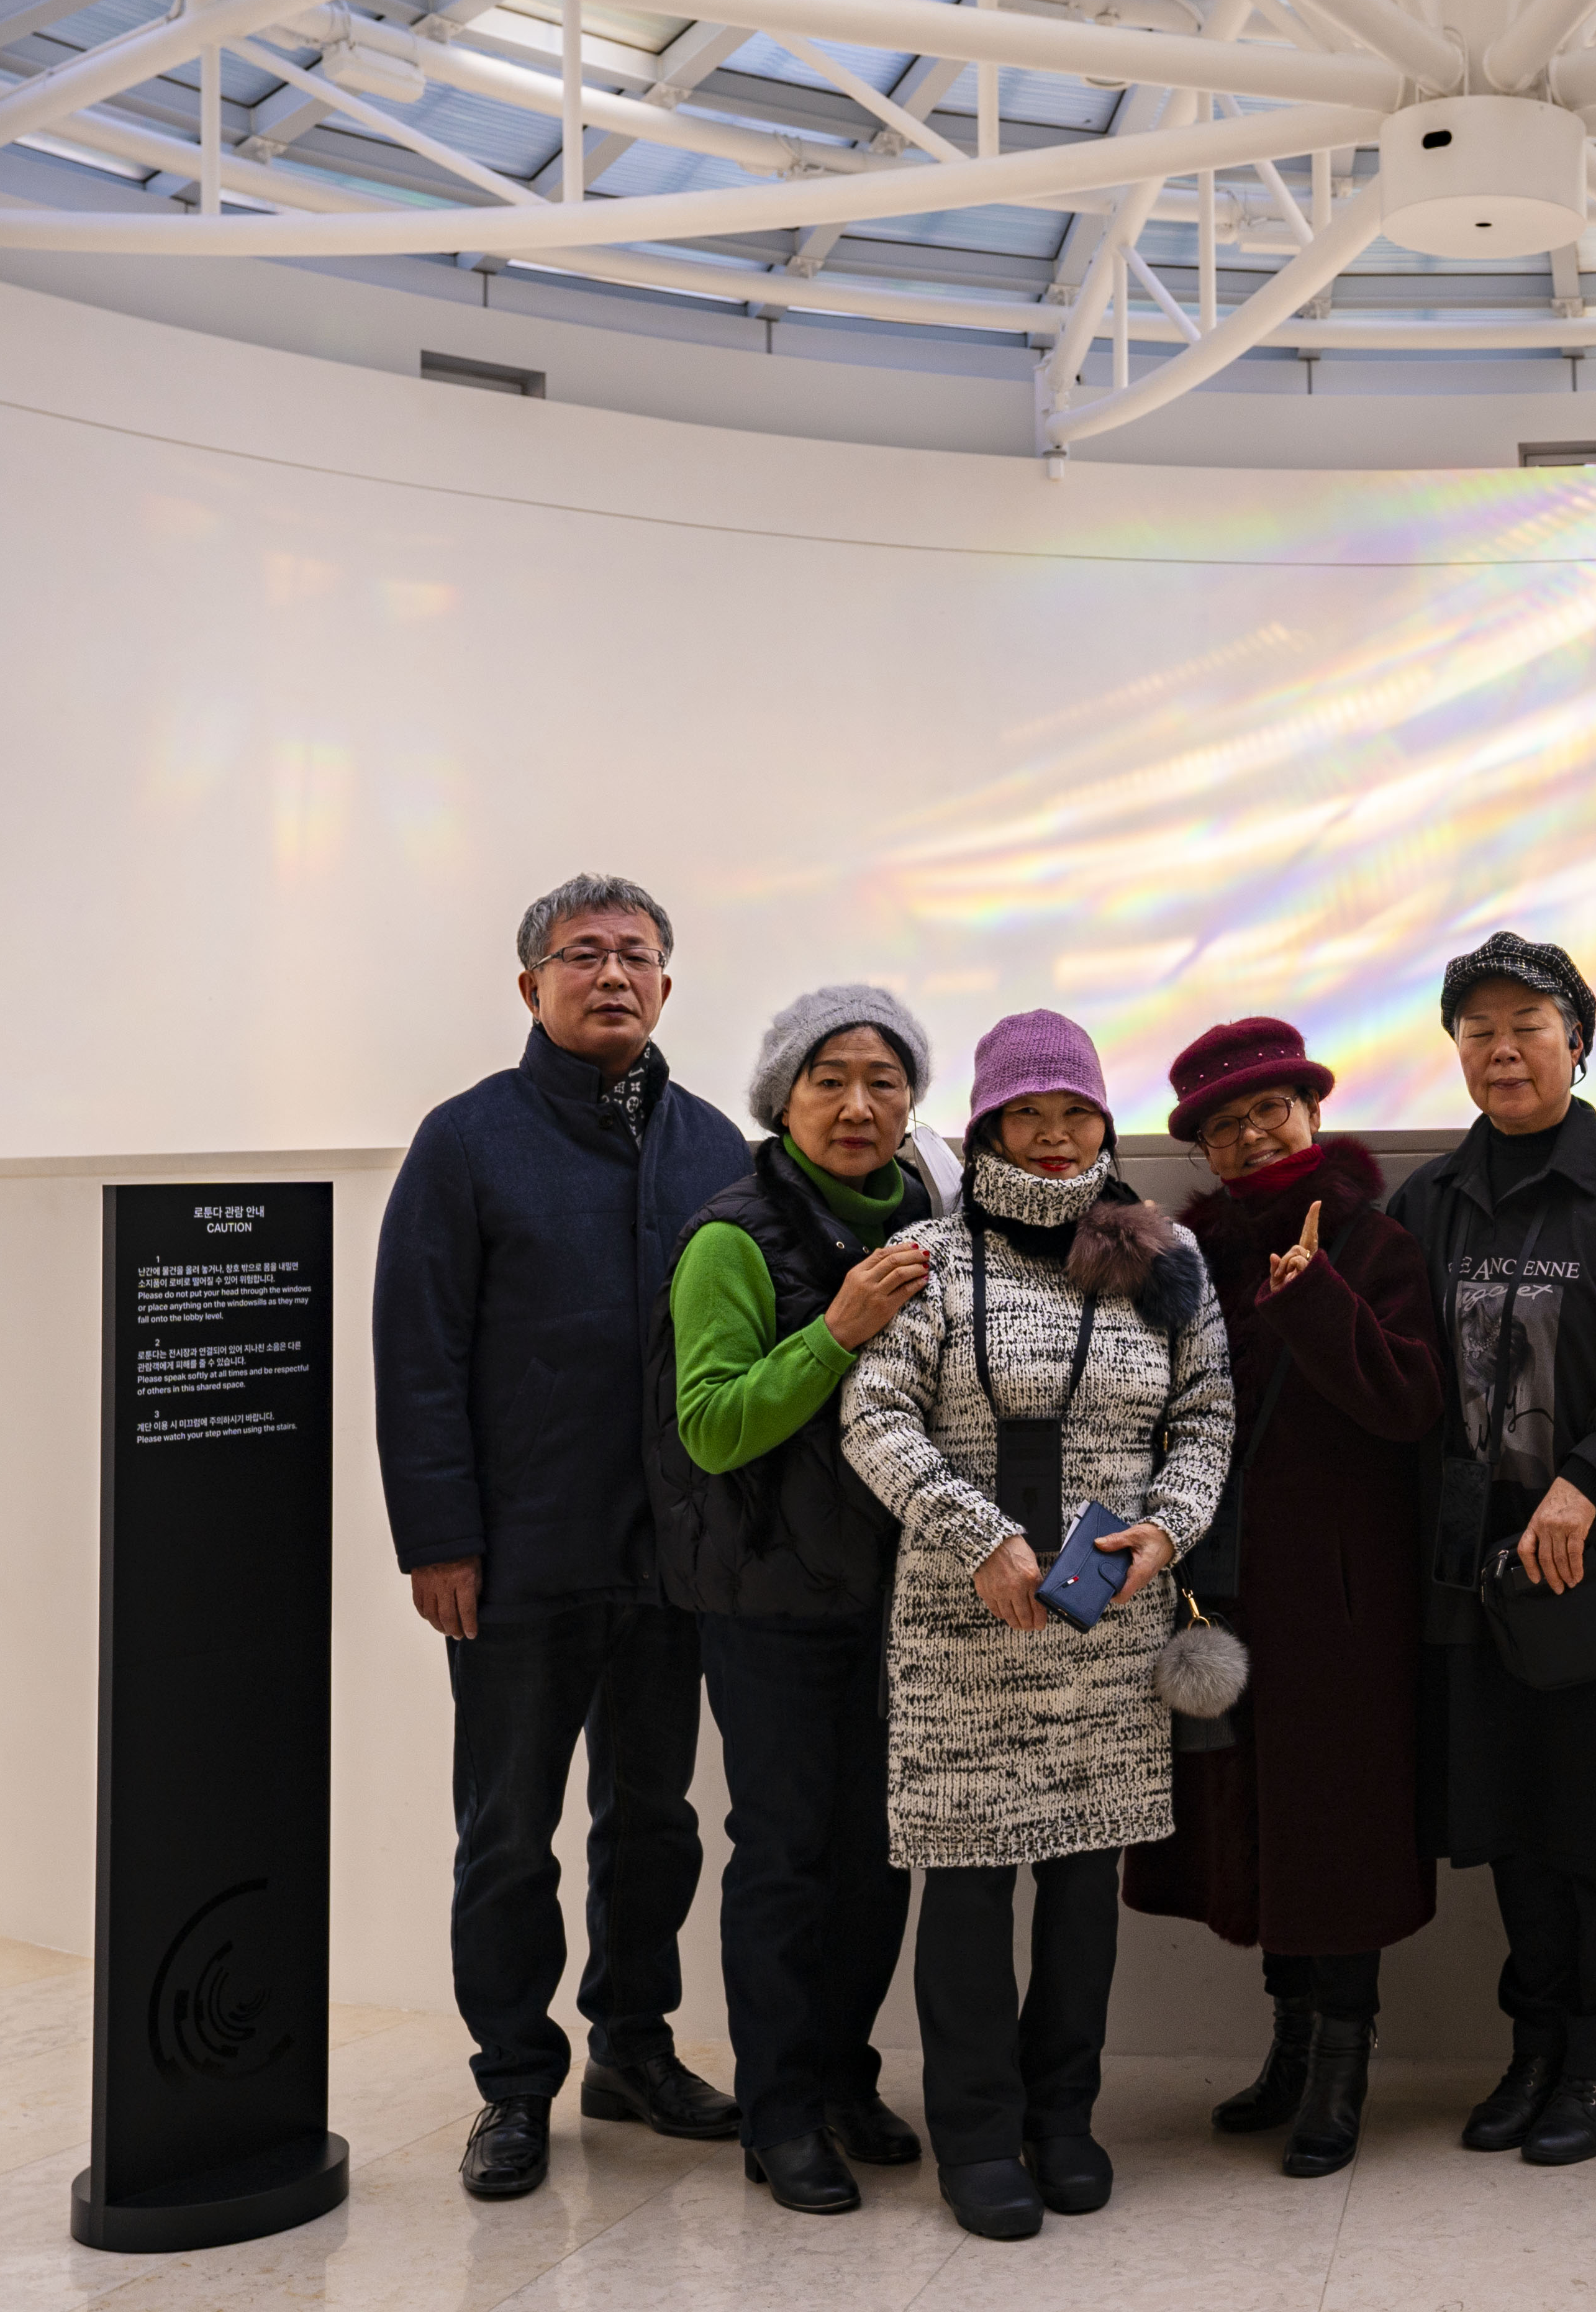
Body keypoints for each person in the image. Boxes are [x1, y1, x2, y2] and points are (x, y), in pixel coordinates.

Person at [375, 872, 749, 2202]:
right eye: (582, 954)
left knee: (654, 1819)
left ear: (667, 985)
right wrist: (440, 1536)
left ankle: (633, 2049)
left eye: (635, 955)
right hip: (519, 1556)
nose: (611, 975)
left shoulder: (714, 1144)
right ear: (530, 984)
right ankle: (515, 2081)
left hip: (670, 1559)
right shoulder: (467, 1139)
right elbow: (418, 1352)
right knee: (508, 1832)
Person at [837, 1010, 1235, 2242]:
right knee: (963, 1890)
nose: (1056, 1136)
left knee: (1081, 1889)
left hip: (1109, 1623)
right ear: (987, 1127)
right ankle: (973, 2132)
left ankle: (1064, 2120)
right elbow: (873, 1416)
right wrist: (977, 1536)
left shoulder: (1165, 1255)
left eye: (1077, 1113)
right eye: (1029, 1114)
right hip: (962, 1627)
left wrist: (1166, 1529)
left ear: (1106, 1124)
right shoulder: (927, 1254)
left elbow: (1207, 1414)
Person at [1387, 934, 1596, 2170]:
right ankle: (1534, 2052)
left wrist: (1586, 1479)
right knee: (1514, 1822)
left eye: (1528, 1025)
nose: (1503, 1049)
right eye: (1477, 1029)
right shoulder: (1428, 1203)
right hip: (1479, 1575)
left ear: (1576, 1043)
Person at [1124, 1016, 1446, 2179]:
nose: (1254, 1135)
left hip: (1341, 1602)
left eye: (1271, 1109)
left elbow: (1409, 1404)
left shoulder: (1374, 1241)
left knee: (1336, 1826)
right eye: (1225, 1125)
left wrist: (1314, 1299)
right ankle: (1293, 2042)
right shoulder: (1186, 1261)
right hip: (1219, 1594)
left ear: (1313, 1111)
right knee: (1252, 1820)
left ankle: (1343, 2066)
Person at [647, 986, 951, 2213]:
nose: (858, 1104)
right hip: (770, 1595)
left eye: (884, 1080)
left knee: (879, 1857)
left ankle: (842, 2075)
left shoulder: (933, 1218)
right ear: (783, 1099)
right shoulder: (729, 1237)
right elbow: (713, 1426)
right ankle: (777, 2113)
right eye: (830, 1080)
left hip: (901, 1595)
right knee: (785, 1854)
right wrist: (837, 1327)